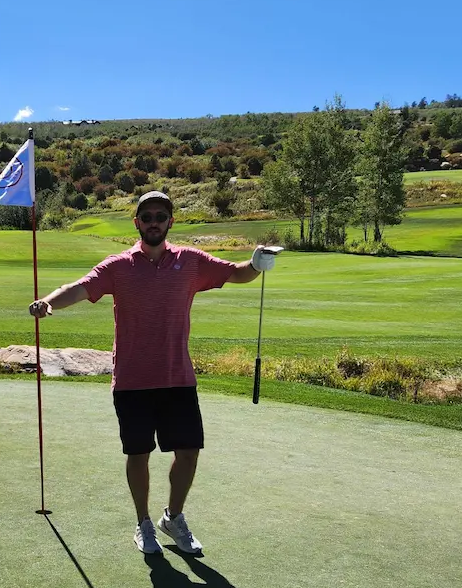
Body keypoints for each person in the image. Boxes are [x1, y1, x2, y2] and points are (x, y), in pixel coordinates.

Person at [29, 190, 279, 556]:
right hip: (132, 379)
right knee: (139, 454)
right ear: (137, 223)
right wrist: (49, 302)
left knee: (189, 452)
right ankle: (143, 523)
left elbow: (236, 273)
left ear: (170, 222)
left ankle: (173, 517)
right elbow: (80, 288)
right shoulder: (118, 266)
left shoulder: (191, 261)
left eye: (160, 216)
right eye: (147, 217)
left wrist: (256, 264)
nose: (154, 223)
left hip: (178, 376)